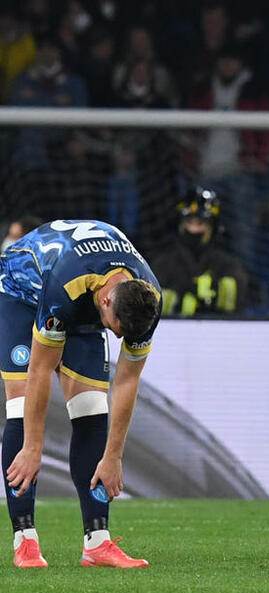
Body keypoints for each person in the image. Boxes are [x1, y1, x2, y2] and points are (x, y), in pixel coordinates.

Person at [0, 219, 161, 568]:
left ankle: (97, 543)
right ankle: (25, 539)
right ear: (106, 301)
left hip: (85, 301)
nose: (117, 338)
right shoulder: (66, 283)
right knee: (21, 406)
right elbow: (40, 369)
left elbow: (127, 380)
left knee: (91, 408)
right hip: (22, 292)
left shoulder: (147, 299)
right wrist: (33, 446)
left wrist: (113, 456)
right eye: (115, 329)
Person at [152, 186, 248, 315]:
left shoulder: (226, 264)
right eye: (189, 222)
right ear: (180, 225)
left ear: (212, 227)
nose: (194, 230)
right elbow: (150, 305)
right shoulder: (164, 264)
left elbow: (239, 299)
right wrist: (180, 294)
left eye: (200, 223)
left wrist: (215, 290)